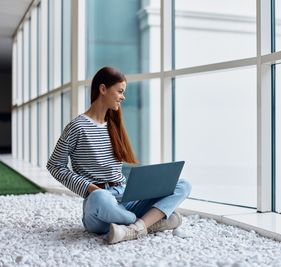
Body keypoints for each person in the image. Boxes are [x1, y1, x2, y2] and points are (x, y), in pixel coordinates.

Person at [47, 66, 191, 244]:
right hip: (99, 204)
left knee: (183, 184)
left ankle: (133, 229)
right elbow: (55, 165)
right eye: (120, 91)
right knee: (102, 197)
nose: (123, 97)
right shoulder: (77, 127)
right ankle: (147, 224)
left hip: (126, 196)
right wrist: (90, 188)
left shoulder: (113, 126)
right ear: (103, 89)